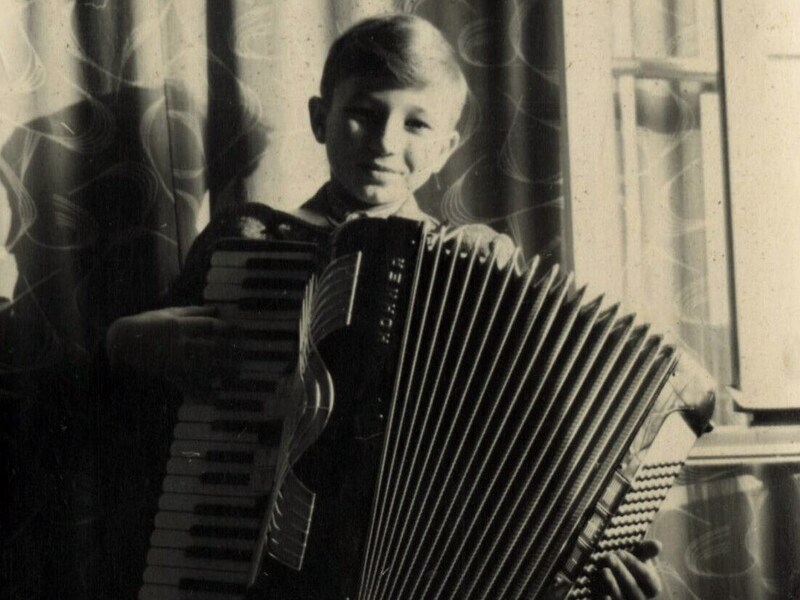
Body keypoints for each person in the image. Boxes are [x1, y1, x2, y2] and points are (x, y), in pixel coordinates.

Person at [106, 14, 663, 599]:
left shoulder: (486, 261)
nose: (386, 143)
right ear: (320, 119)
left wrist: (600, 552)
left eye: (416, 123)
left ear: (446, 148)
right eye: (364, 114)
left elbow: (547, 438)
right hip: (262, 564)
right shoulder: (248, 242)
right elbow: (151, 421)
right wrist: (123, 340)